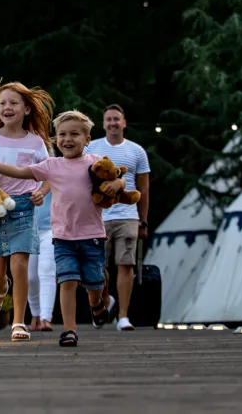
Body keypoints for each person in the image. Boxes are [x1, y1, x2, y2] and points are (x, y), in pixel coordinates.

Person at [0, 110, 126, 347]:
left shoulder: (94, 162)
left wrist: (117, 183)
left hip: (92, 236)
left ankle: (96, 302)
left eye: (74, 134)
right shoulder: (51, 165)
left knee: (94, 283)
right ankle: (70, 330)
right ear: (56, 139)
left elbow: (120, 177)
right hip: (62, 237)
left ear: (87, 139)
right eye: (62, 134)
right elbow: (20, 172)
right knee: (67, 282)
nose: (67, 139)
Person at [0, 79, 54, 341]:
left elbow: (49, 174)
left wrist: (41, 191)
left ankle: (19, 322)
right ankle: (0, 289)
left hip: (24, 208)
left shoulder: (37, 143)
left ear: (27, 109)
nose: (7, 107)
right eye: (2, 103)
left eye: (13, 103)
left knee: (20, 266)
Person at [84, 104, 150, 331]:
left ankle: (123, 316)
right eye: (108, 119)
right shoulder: (91, 148)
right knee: (97, 265)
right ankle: (105, 300)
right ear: (103, 124)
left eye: (116, 119)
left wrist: (143, 220)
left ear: (124, 123)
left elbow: (143, 188)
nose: (112, 123)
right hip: (98, 215)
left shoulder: (137, 151)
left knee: (125, 264)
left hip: (127, 215)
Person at [28, 186, 56, 332]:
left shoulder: (53, 165)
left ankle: (45, 318)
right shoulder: (24, 170)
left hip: (51, 228)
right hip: (28, 229)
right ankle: (35, 314)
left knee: (47, 272)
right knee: (30, 277)